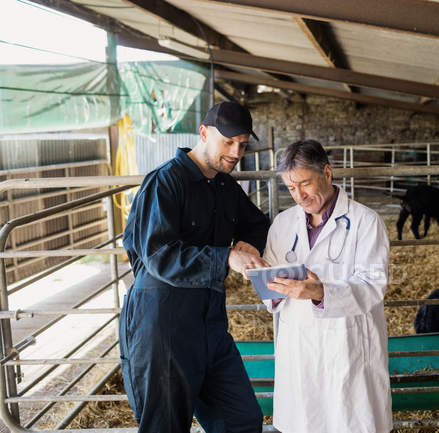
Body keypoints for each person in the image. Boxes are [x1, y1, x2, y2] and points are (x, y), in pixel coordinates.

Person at [119, 102, 269, 433]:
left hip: (210, 326)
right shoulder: (165, 183)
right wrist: (226, 256)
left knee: (242, 420)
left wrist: (250, 244)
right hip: (162, 327)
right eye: (228, 142)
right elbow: (158, 254)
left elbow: (258, 223)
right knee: (166, 426)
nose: (236, 152)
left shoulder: (225, 187)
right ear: (203, 133)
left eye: (242, 145)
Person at [263, 139, 392, 433]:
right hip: (299, 348)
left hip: (348, 348)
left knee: (349, 421)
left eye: (305, 184)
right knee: (304, 422)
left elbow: (373, 286)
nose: (299, 196)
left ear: (328, 173)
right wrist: (262, 279)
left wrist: (321, 293)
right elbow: (270, 288)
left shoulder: (366, 222)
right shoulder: (282, 224)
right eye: (291, 188)